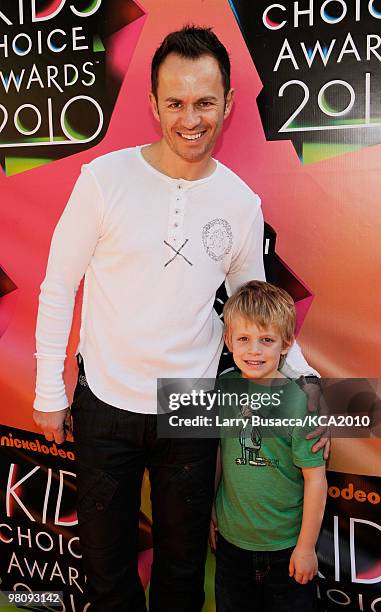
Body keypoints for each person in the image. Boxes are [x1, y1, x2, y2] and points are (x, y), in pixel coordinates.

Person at [33, 26, 326, 612]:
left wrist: (308, 379)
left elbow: (255, 305)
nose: (190, 119)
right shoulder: (103, 181)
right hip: (105, 403)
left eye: (204, 102)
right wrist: (48, 388)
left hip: (191, 409)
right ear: (153, 104)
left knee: (182, 571)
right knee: (107, 569)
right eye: (175, 102)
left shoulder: (241, 204)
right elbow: (59, 285)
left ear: (228, 104)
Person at [210, 280, 327, 612]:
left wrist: (305, 548)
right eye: (244, 339)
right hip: (232, 546)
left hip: (286, 550)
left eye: (266, 340)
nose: (254, 351)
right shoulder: (224, 388)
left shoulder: (300, 403)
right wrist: (211, 511)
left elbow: (315, 479)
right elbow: (220, 452)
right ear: (228, 340)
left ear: (286, 343)